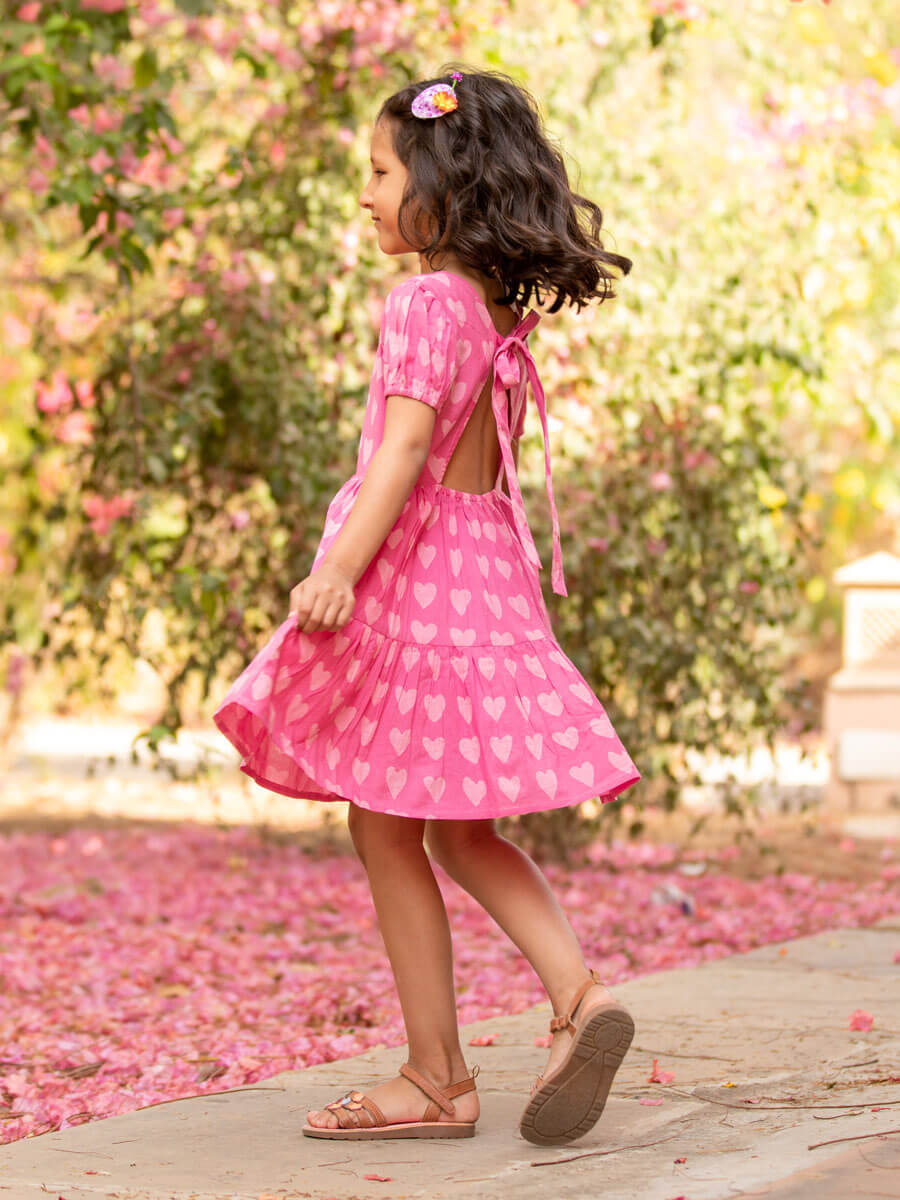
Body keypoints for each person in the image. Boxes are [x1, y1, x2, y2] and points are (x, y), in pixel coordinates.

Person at [213, 67, 641, 1146]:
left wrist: (338, 570)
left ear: (441, 185)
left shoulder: (421, 301)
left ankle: (436, 1077)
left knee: (383, 825)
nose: (363, 193)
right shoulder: (494, 309)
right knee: (459, 831)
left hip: (417, 578)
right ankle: (578, 994)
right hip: (487, 575)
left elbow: (404, 449)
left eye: (378, 172)